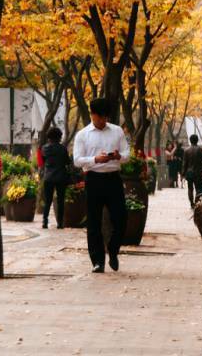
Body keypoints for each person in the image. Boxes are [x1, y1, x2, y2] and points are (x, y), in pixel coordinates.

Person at [72, 97, 130, 274]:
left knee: (121, 218)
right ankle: (97, 261)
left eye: (106, 117)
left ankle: (113, 249)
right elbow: (77, 160)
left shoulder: (117, 131)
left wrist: (118, 156)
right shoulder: (82, 135)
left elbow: (127, 153)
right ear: (92, 114)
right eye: (100, 117)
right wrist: (95, 159)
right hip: (94, 179)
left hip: (113, 179)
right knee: (94, 222)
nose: (103, 121)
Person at [40, 127, 71, 229]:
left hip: (48, 177)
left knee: (48, 200)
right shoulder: (63, 148)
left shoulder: (45, 148)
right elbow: (68, 162)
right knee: (60, 200)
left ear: (49, 137)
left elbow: (43, 161)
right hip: (61, 177)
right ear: (59, 137)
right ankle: (60, 223)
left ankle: (45, 222)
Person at [182, 134, 202, 207]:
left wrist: (183, 174)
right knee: (198, 188)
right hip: (198, 172)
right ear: (197, 140)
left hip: (189, 172)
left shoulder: (186, 151)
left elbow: (184, 163)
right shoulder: (201, 150)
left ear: (190, 140)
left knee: (190, 189)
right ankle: (197, 202)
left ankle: (191, 203)